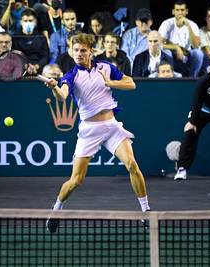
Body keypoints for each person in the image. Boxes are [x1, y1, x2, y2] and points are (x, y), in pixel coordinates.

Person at [43, 33, 151, 233]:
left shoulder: (106, 68)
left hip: (111, 126)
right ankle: (56, 211)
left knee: (132, 165)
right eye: (75, 50)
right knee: (76, 180)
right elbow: (63, 96)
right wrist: (54, 88)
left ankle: (146, 213)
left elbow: (131, 84)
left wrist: (110, 83)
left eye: (83, 50)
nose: (79, 54)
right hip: (89, 130)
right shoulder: (71, 75)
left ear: (90, 51)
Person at [158, 0, 203, 77]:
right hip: (171, 55)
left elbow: (196, 45)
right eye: (177, 10)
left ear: (186, 11)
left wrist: (188, 26)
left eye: (182, 10)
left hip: (186, 54)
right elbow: (158, 44)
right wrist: (176, 47)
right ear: (173, 12)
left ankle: (192, 79)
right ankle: (170, 78)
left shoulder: (192, 24)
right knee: (167, 52)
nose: (180, 13)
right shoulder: (166, 23)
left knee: (198, 53)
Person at [12, 8, 49, 75]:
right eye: (25, 21)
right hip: (20, 69)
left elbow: (45, 57)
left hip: (39, 69)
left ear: (35, 22)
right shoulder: (15, 37)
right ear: (21, 22)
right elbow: (15, 56)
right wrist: (26, 66)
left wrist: (36, 66)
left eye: (30, 20)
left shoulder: (41, 37)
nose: (28, 23)